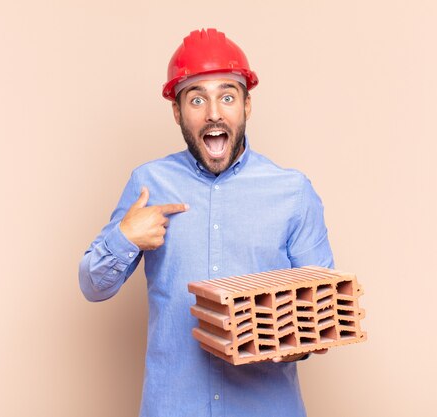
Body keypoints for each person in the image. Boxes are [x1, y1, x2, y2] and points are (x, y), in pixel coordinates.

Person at [79, 28, 334, 417]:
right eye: (197, 99)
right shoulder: (149, 184)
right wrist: (125, 238)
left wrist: (284, 333)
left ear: (247, 106)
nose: (214, 112)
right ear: (178, 112)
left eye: (227, 96)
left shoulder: (292, 192)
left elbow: (323, 310)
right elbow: (92, 285)